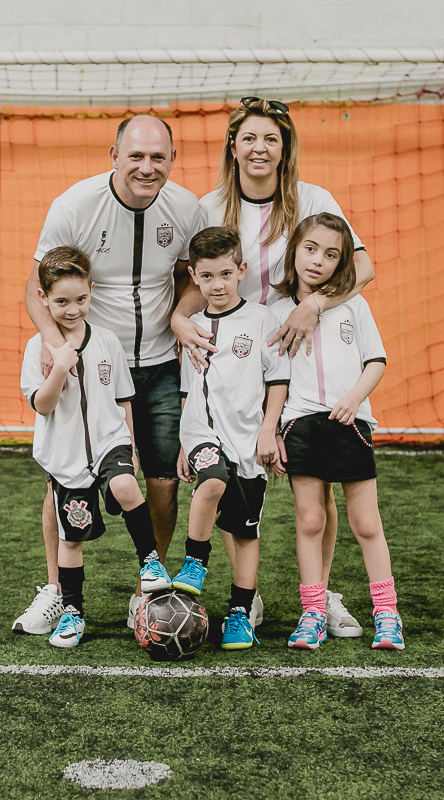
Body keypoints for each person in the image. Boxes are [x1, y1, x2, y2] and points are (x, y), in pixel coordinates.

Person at [170, 96, 377, 637]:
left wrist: (315, 305)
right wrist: (178, 318)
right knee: (234, 479)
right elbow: (195, 281)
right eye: (249, 138)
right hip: (234, 365)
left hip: (300, 356)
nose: (259, 148)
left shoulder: (313, 199)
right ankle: (248, 598)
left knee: (316, 486)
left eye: (271, 139)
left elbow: (363, 266)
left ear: (285, 149)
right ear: (233, 146)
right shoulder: (209, 207)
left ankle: (322, 598)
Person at [12, 115, 205, 634]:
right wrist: (55, 343)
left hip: (160, 364)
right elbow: (35, 284)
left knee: (162, 481)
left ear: (172, 159)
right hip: (89, 368)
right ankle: (57, 593)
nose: (147, 167)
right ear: (114, 156)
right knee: (63, 480)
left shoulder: (187, 208)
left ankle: (148, 592)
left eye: (158, 157)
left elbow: (192, 276)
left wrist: (181, 315)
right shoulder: (74, 206)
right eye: (136, 155)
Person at [18, 246, 173, 648]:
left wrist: (132, 447)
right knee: (72, 539)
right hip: (67, 459)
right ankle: (72, 612)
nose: (73, 310)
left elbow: (124, 398)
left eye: (81, 299)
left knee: (125, 485)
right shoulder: (37, 349)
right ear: (44, 299)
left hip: (111, 441)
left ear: (92, 291)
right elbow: (42, 405)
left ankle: (150, 563)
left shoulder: (106, 340)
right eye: (61, 302)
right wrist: (60, 366)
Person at [266, 213, 403, 651]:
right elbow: (273, 380)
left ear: (342, 263)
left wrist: (353, 399)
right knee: (310, 521)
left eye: (330, 255)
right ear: (294, 251)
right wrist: (274, 430)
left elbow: (376, 361)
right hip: (300, 426)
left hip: (350, 424)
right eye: (310, 249)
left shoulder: (353, 305)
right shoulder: (275, 312)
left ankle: (387, 614)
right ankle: (313, 613)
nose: (318, 261)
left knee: (366, 523)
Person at [171, 227, 289, 650]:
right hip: (202, 433)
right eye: (206, 276)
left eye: (225, 274)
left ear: (241, 270)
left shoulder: (262, 319)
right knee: (213, 480)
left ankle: (240, 613)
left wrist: (269, 430)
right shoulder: (192, 327)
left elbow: (277, 380)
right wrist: (184, 444)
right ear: (194, 276)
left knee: (245, 533)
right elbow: (188, 388)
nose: (216, 285)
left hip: (248, 442)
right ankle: (195, 560)